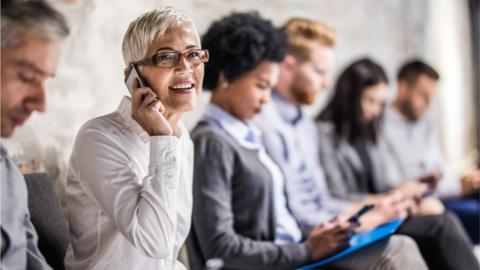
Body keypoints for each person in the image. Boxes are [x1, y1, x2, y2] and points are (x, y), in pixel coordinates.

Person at [187, 12, 428, 270]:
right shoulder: (212, 142)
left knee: (400, 244)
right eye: (261, 85)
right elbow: (221, 250)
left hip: (296, 252)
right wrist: (308, 249)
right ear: (225, 78)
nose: (267, 99)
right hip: (289, 259)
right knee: (397, 250)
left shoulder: (244, 134)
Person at [255, 18, 479, 270]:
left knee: (434, 224)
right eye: (319, 72)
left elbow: (322, 198)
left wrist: (375, 207)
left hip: (333, 221)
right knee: (422, 235)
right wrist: (364, 214)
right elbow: (302, 212)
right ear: (287, 66)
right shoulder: (269, 124)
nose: (326, 83)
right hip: (314, 237)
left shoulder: (304, 125)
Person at [64, 7, 207, 269]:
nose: (186, 68)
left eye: (194, 54)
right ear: (134, 78)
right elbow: (155, 243)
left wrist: (166, 138)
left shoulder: (182, 139)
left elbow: (169, 255)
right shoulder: (98, 138)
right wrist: (160, 137)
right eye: (165, 57)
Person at [316, 58, 444, 215]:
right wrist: (389, 199)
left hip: (380, 209)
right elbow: (338, 195)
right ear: (350, 96)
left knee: (434, 209)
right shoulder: (325, 133)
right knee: (439, 221)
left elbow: (382, 184)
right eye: (370, 100)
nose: (375, 110)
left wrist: (407, 188)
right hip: (358, 214)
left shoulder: (367, 130)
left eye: (380, 103)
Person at [1, 0, 69, 269]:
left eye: (45, 81)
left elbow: (28, 253)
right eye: (27, 77)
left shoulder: (7, 171)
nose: (41, 104)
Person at [381, 59, 480, 243]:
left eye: (431, 96)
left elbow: (441, 169)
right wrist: (457, 187)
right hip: (424, 202)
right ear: (403, 87)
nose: (428, 103)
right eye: (422, 95)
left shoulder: (425, 124)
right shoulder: (381, 129)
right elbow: (395, 186)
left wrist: (464, 182)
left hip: (446, 192)